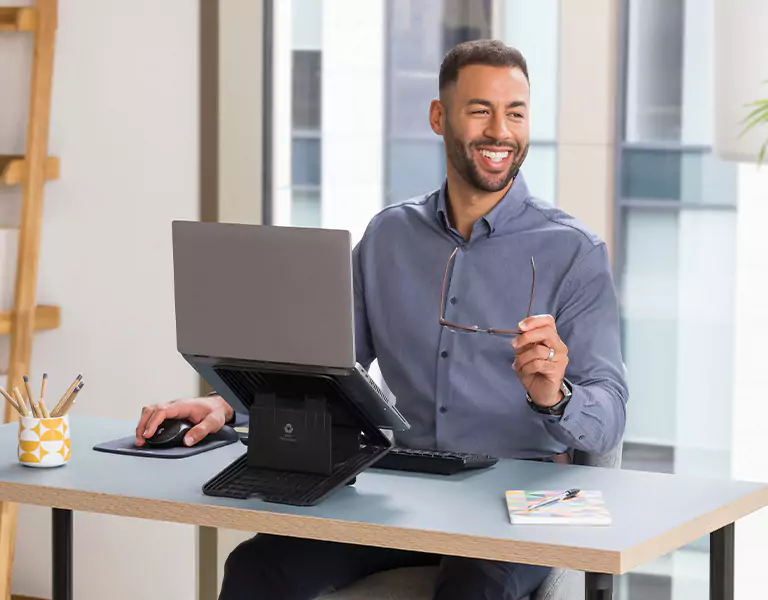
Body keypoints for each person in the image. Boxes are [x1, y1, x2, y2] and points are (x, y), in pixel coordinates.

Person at [136, 39, 628, 600]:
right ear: (439, 117)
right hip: (404, 488)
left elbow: (610, 412)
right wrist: (224, 402)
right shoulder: (388, 236)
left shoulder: (574, 252)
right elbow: (321, 366)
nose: (501, 131)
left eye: (515, 113)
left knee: (471, 591)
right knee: (257, 566)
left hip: (516, 503)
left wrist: (555, 395)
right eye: (480, 110)